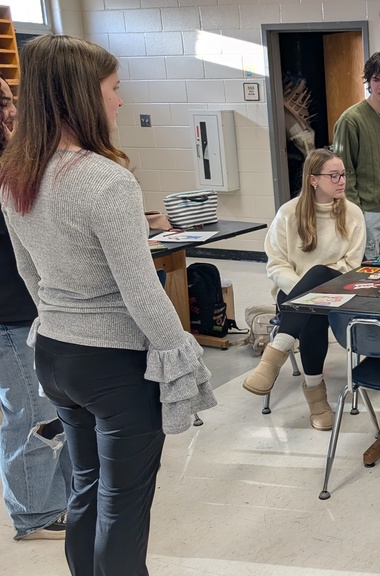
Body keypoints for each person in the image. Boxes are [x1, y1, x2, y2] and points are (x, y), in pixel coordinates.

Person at [0, 35, 215, 573]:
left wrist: (61, 318)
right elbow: (141, 290)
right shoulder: (106, 179)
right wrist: (182, 355)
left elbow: (31, 273)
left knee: (86, 492)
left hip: (55, 354)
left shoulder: (18, 172)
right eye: (114, 89)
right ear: (80, 96)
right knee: (123, 509)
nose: (120, 101)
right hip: (114, 366)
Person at [242, 148, 366, 430]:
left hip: (339, 290)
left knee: (320, 274)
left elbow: (351, 265)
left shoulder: (352, 213)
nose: (341, 181)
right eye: (333, 175)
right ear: (313, 179)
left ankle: (274, 356)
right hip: (294, 294)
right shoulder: (288, 213)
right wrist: (308, 293)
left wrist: (313, 290)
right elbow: (276, 264)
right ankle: (315, 393)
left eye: (343, 174)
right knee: (312, 312)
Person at [0, 74, 72, 542]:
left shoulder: (12, 160)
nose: (12, 111)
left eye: (12, 101)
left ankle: (55, 499)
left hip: (33, 308)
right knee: (30, 416)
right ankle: (33, 513)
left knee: (50, 412)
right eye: (4, 103)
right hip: (10, 313)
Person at [332, 51, 380, 259]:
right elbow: (343, 170)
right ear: (368, 82)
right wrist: (355, 210)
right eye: (376, 80)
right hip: (367, 212)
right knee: (367, 273)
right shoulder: (351, 120)